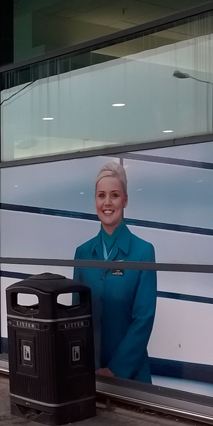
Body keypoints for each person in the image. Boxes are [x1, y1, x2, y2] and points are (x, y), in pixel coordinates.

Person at [74, 161, 157, 383]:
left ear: (125, 200)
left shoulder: (143, 252)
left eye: (115, 195)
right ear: (95, 201)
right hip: (89, 375)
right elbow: (76, 319)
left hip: (131, 377)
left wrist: (116, 370)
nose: (107, 202)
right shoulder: (82, 253)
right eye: (101, 195)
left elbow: (144, 319)